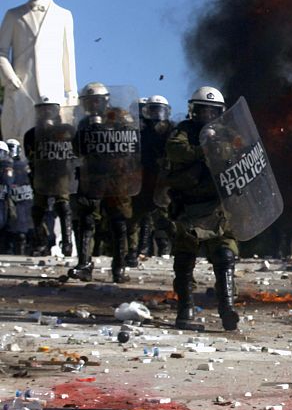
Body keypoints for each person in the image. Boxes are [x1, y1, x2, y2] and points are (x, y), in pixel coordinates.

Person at [165, 86, 239, 331]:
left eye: (212, 111)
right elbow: (174, 150)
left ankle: (227, 307)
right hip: (188, 206)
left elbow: (242, 153)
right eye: (202, 110)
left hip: (219, 207)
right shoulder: (184, 130)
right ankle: (185, 308)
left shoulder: (228, 133)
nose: (207, 116)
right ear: (194, 111)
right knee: (185, 260)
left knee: (224, 256)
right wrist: (202, 151)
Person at [68, 82, 138, 283]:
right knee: (88, 220)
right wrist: (89, 130)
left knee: (118, 223)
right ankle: (84, 265)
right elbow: (77, 150)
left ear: (105, 100)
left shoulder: (120, 116)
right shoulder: (84, 123)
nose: (93, 105)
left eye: (96, 100)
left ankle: (119, 268)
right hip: (92, 178)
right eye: (89, 101)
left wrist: (108, 129)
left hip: (117, 178)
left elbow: (131, 142)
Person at [0, 0, 78, 142]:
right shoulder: (13, 15)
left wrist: (71, 90)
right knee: (20, 135)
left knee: (55, 137)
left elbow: (68, 55)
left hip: (53, 87)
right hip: (22, 86)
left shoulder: (63, 15)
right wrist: (10, 78)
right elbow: (1, 51)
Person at [23, 96, 75, 256]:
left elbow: (75, 151)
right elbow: (30, 156)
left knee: (63, 205)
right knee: (38, 209)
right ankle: (42, 242)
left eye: (50, 109)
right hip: (42, 175)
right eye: (43, 109)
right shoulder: (31, 134)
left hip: (61, 175)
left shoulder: (66, 130)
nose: (46, 112)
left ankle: (67, 243)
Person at [131, 95, 174, 259]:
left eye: (159, 111)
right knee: (141, 214)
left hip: (163, 178)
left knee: (162, 214)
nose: (156, 115)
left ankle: (164, 247)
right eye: (153, 110)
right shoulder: (141, 132)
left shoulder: (171, 131)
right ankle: (140, 248)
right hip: (144, 176)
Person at [4, 139, 33, 254]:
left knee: (21, 232)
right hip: (12, 202)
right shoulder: (5, 166)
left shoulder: (23, 166)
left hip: (23, 201)